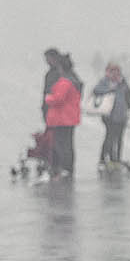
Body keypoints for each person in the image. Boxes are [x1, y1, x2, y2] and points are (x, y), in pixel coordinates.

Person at [42, 48, 81, 178]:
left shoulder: (64, 81)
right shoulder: (73, 79)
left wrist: (48, 98)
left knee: (61, 144)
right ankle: (65, 167)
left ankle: (63, 167)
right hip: (68, 117)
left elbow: (57, 98)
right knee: (67, 143)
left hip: (61, 118)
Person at [90, 62, 130, 170]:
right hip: (109, 115)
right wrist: (110, 89)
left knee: (119, 138)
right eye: (112, 71)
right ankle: (104, 159)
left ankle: (116, 159)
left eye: (117, 71)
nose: (115, 73)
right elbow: (96, 91)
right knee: (109, 137)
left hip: (122, 114)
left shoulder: (123, 82)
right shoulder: (105, 81)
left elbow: (129, 96)